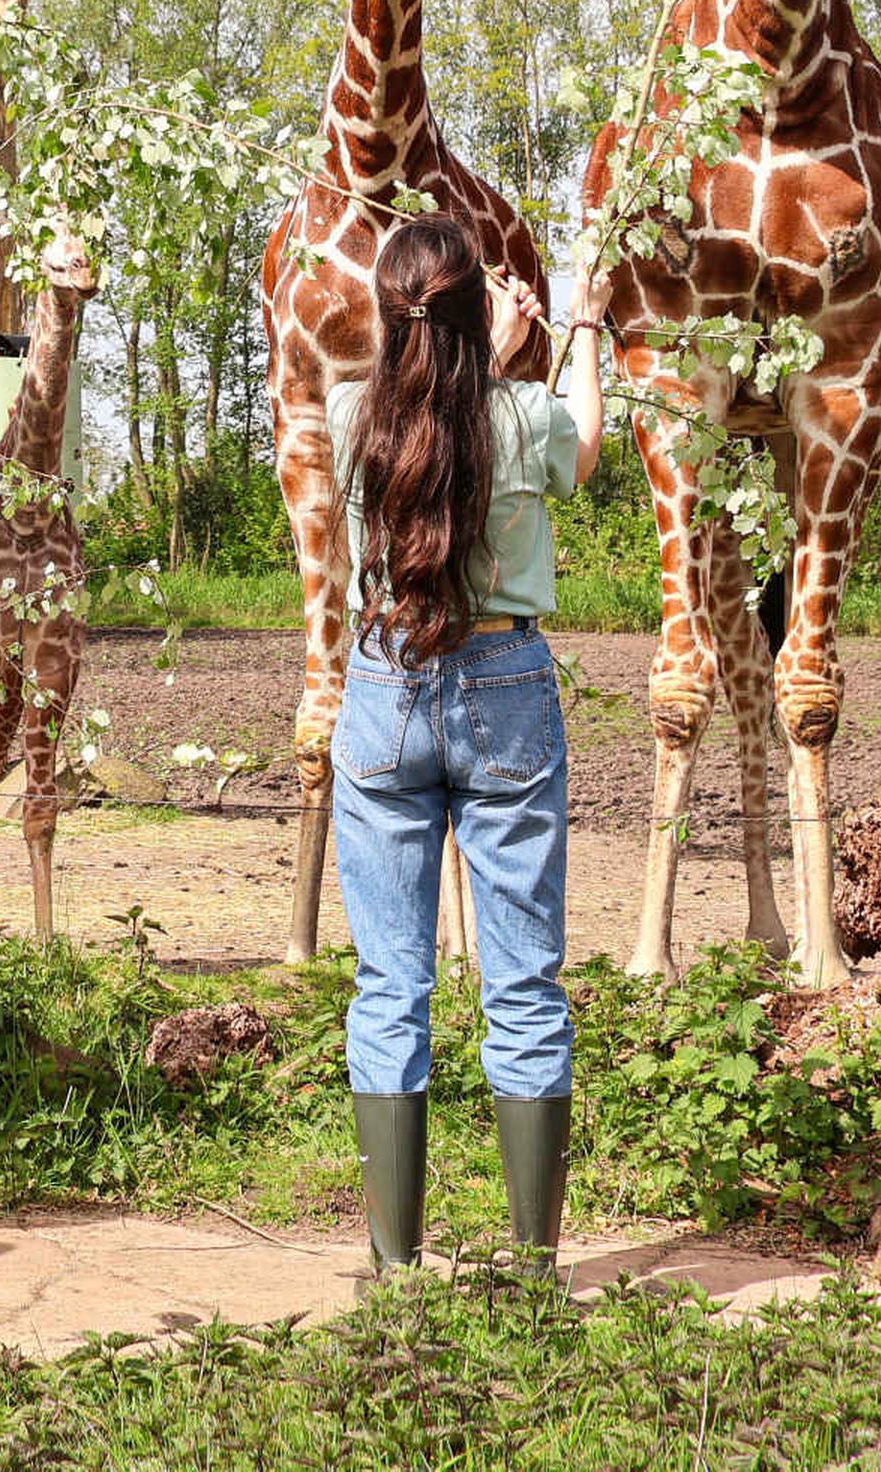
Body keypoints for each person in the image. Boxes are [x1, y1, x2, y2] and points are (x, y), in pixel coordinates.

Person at [325, 215, 608, 1273]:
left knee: (389, 981)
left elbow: (429, 422)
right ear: (472, 311)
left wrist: (479, 350)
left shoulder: (349, 413)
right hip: (505, 683)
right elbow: (582, 445)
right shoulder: (524, 414)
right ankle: (533, 1269)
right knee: (524, 981)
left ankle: (395, 1266)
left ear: (387, 312)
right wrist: (575, 329)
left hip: (384, 684)